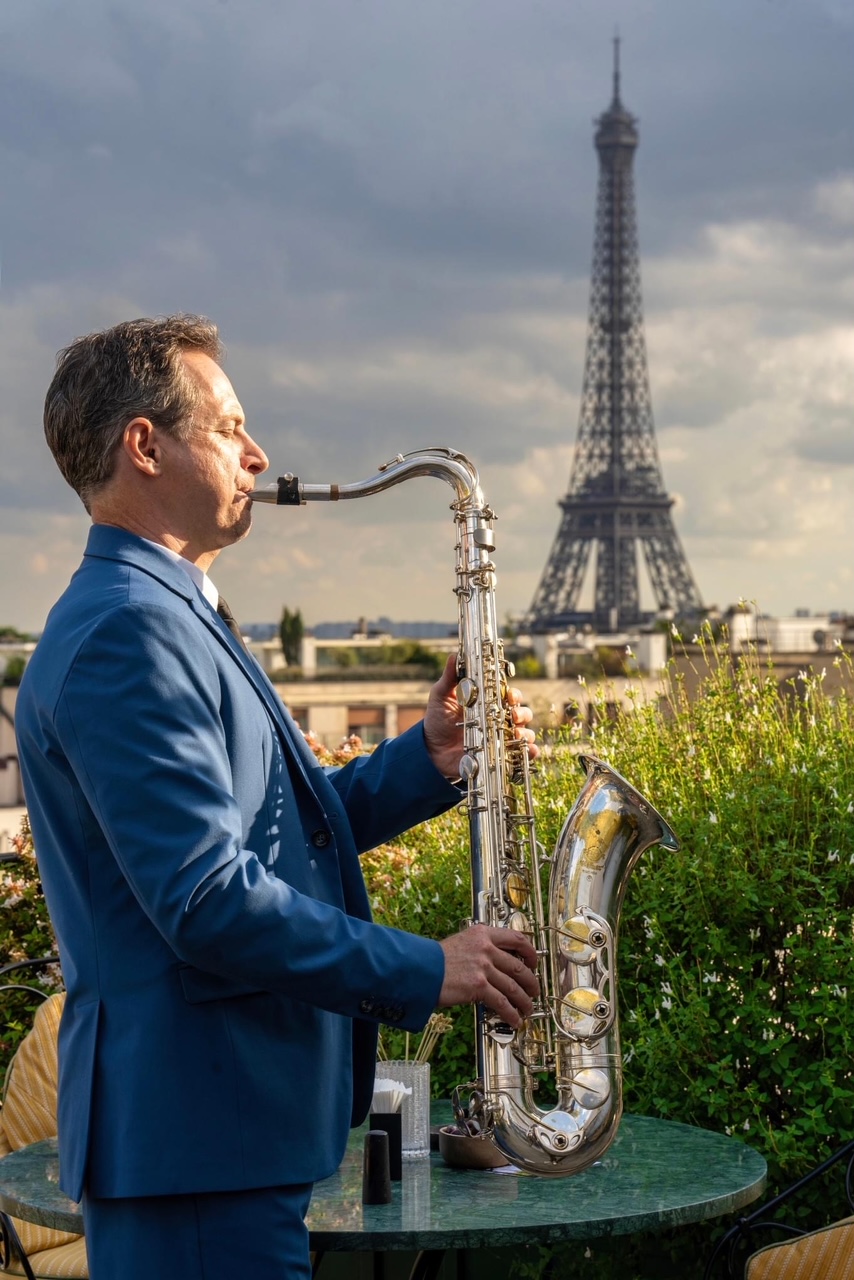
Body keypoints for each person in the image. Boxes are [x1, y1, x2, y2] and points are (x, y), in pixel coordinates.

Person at [15, 315, 540, 1280]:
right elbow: (209, 901)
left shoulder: (164, 613)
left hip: (216, 1142)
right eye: (230, 428)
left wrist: (425, 757)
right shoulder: (129, 633)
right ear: (145, 445)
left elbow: (273, 832)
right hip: (197, 1146)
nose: (260, 455)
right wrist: (431, 968)